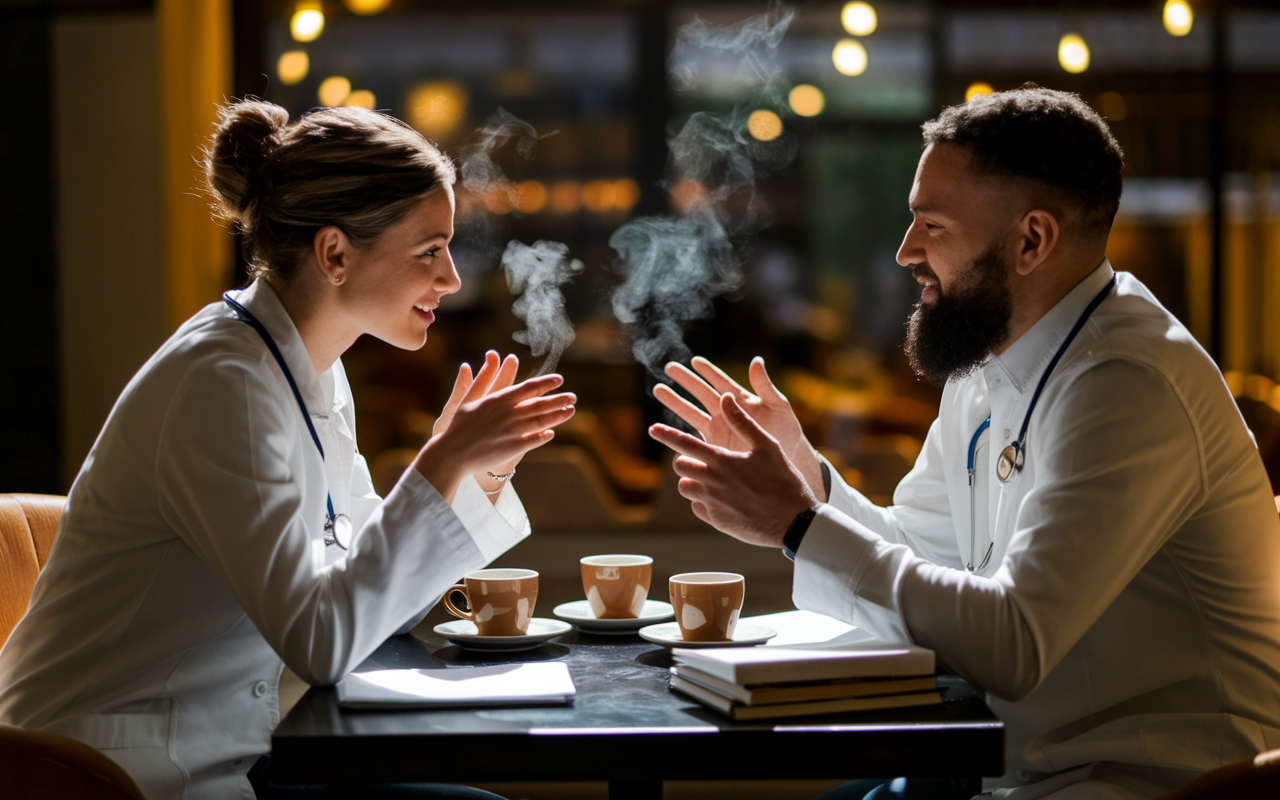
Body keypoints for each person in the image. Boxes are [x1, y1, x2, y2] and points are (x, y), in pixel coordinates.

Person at [649, 85, 1280, 800]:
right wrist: (811, 484)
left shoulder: (1126, 384)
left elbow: (1012, 643)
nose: (904, 251)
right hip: (1010, 768)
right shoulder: (988, 361)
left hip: (1145, 784)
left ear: (1031, 240)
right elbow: (923, 556)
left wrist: (797, 526)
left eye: (931, 225)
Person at [0, 99, 577, 800]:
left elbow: (365, 600)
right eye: (429, 250)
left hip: (226, 755)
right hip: (105, 775)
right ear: (334, 253)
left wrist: (472, 476)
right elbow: (321, 642)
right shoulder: (223, 383)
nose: (451, 278)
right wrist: (440, 465)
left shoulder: (311, 367)